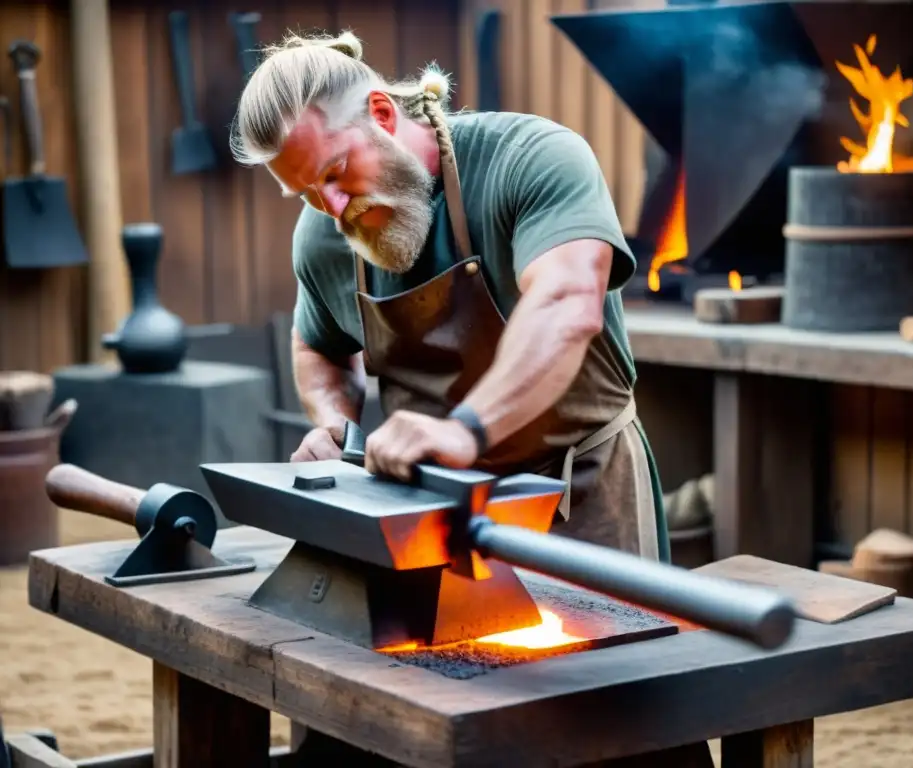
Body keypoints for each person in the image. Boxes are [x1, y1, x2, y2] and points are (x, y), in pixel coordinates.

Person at [231, 30, 669, 561]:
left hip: (584, 496)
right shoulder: (324, 234)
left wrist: (467, 432)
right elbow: (317, 346)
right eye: (306, 193)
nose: (333, 205)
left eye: (335, 172)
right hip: (433, 518)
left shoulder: (531, 159)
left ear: (382, 115)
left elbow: (567, 304)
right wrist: (333, 423)